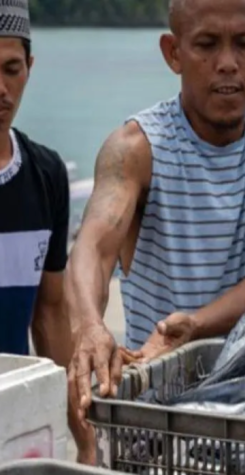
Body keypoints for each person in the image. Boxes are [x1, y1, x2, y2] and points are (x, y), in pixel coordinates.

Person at [64, 0, 245, 463]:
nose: (228, 63)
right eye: (206, 44)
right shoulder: (137, 148)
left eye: (243, 43)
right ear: (173, 53)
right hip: (157, 412)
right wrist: (88, 324)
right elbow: (93, 249)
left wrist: (195, 326)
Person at [0, 0, 88, 459]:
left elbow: (50, 312)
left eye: (11, 69)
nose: (1, 88)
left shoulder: (46, 173)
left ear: (29, 68)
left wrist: (76, 425)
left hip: (17, 413)